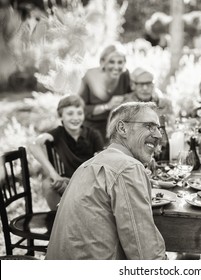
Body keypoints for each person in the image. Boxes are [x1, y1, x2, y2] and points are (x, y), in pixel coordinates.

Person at [46, 102, 166, 259]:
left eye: (159, 128)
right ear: (122, 129)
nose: (158, 135)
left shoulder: (87, 165)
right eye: (149, 126)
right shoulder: (128, 167)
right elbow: (145, 254)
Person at [29, 95, 104, 210]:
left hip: (88, 183)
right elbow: (33, 145)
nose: (75, 117)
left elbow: (102, 161)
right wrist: (53, 173)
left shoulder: (93, 134)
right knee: (47, 184)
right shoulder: (58, 134)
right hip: (66, 183)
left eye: (79, 113)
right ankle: (57, 219)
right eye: (70, 114)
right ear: (61, 116)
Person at [78, 43, 132, 141]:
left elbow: (132, 95)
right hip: (91, 129)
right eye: (111, 62)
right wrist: (107, 106)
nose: (116, 67)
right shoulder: (90, 77)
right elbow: (81, 108)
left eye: (120, 62)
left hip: (116, 128)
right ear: (103, 62)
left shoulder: (125, 75)